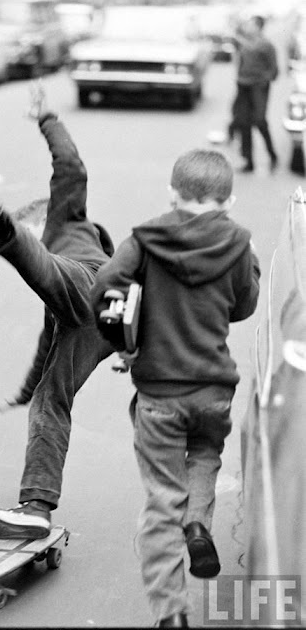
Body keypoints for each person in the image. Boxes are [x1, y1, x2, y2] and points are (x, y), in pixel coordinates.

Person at [91, 149, 261, 628]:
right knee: (205, 454)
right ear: (228, 200)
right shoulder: (239, 244)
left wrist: (125, 341)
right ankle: (198, 525)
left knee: (162, 499)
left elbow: (105, 287)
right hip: (214, 390)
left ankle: (171, 614)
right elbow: (244, 305)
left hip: (160, 394)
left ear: (172, 193)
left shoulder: (144, 241)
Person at [0, 84, 114, 541]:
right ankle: (36, 507)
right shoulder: (56, 291)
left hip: (89, 281)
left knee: (47, 267)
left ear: (43, 215)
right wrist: (24, 390)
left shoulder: (70, 219)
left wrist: (47, 120)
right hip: (100, 325)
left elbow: (71, 168)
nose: (39, 231)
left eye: (32, 224)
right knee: (49, 399)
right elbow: (46, 343)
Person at [233, 15, 279, 173]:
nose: (248, 27)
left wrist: (262, 80)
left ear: (259, 27)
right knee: (244, 122)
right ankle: (248, 161)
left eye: (251, 25)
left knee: (260, 120)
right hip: (244, 86)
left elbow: (274, 70)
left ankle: (272, 155)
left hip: (258, 87)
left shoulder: (266, 45)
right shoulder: (244, 44)